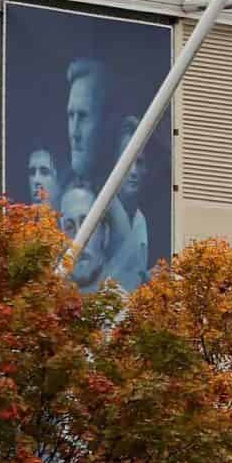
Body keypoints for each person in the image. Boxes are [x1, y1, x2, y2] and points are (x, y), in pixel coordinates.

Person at [103, 112, 152, 289]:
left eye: (138, 162)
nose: (133, 171)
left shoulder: (141, 221)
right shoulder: (101, 214)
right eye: (127, 161)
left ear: (146, 168)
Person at [64, 57, 110, 187]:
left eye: (83, 116)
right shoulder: (59, 192)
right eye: (71, 116)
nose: (74, 133)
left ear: (104, 121)